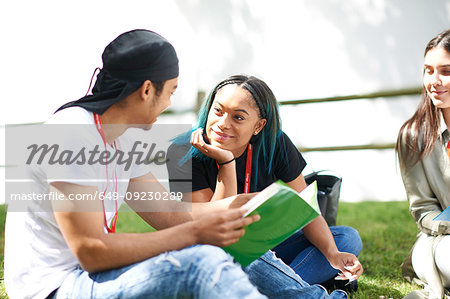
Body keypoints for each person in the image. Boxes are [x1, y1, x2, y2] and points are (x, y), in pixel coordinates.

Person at [4, 30, 347, 299]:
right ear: (147, 90)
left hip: (90, 275)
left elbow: (168, 214)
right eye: (171, 91)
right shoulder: (71, 133)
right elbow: (91, 251)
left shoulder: (123, 140)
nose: (169, 103)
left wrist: (229, 208)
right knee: (204, 261)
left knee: (226, 244)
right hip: (57, 287)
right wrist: (197, 233)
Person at [166, 74, 364, 291]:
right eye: (218, 111)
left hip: (266, 245)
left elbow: (306, 207)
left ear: (259, 125)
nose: (223, 124)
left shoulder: (275, 143)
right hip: (217, 251)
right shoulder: (182, 151)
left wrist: (333, 254)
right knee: (248, 258)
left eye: (238, 118)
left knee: (347, 238)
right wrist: (226, 162)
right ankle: (288, 287)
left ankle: (269, 289)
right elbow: (213, 227)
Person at [396, 28, 450, 299]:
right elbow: (423, 210)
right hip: (438, 243)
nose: (435, 81)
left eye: (446, 71)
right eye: (429, 70)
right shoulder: (413, 136)